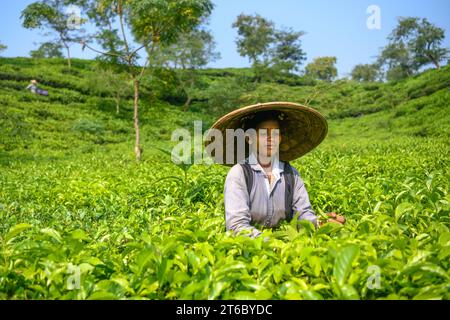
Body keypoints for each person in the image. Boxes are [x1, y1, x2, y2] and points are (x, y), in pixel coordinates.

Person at [205, 102, 345, 238]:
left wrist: (320, 223)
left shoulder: (291, 175)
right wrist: (271, 245)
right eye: (265, 134)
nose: (271, 139)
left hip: (285, 247)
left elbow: (303, 215)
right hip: (250, 251)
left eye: (276, 134)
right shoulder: (240, 174)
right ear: (249, 138)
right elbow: (236, 226)